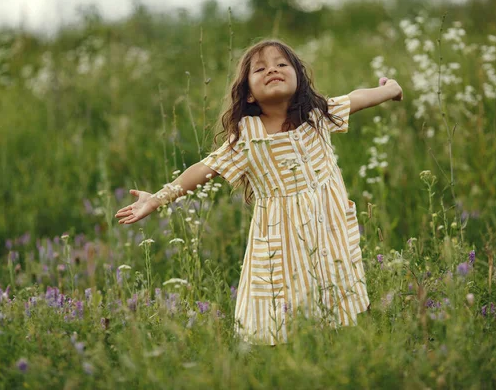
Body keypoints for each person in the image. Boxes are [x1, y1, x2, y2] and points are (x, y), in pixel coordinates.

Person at [115, 39, 403, 346]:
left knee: (336, 285)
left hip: (328, 227)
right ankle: (287, 354)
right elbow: (203, 168)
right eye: (261, 68)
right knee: (284, 297)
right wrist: (158, 198)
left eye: (281, 64)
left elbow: (357, 98)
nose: (273, 70)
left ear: (298, 80)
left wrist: (389, 90)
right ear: (250, 93)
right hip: (282, 237)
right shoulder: (247, 138)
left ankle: (340, 345)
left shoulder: (317, 116)